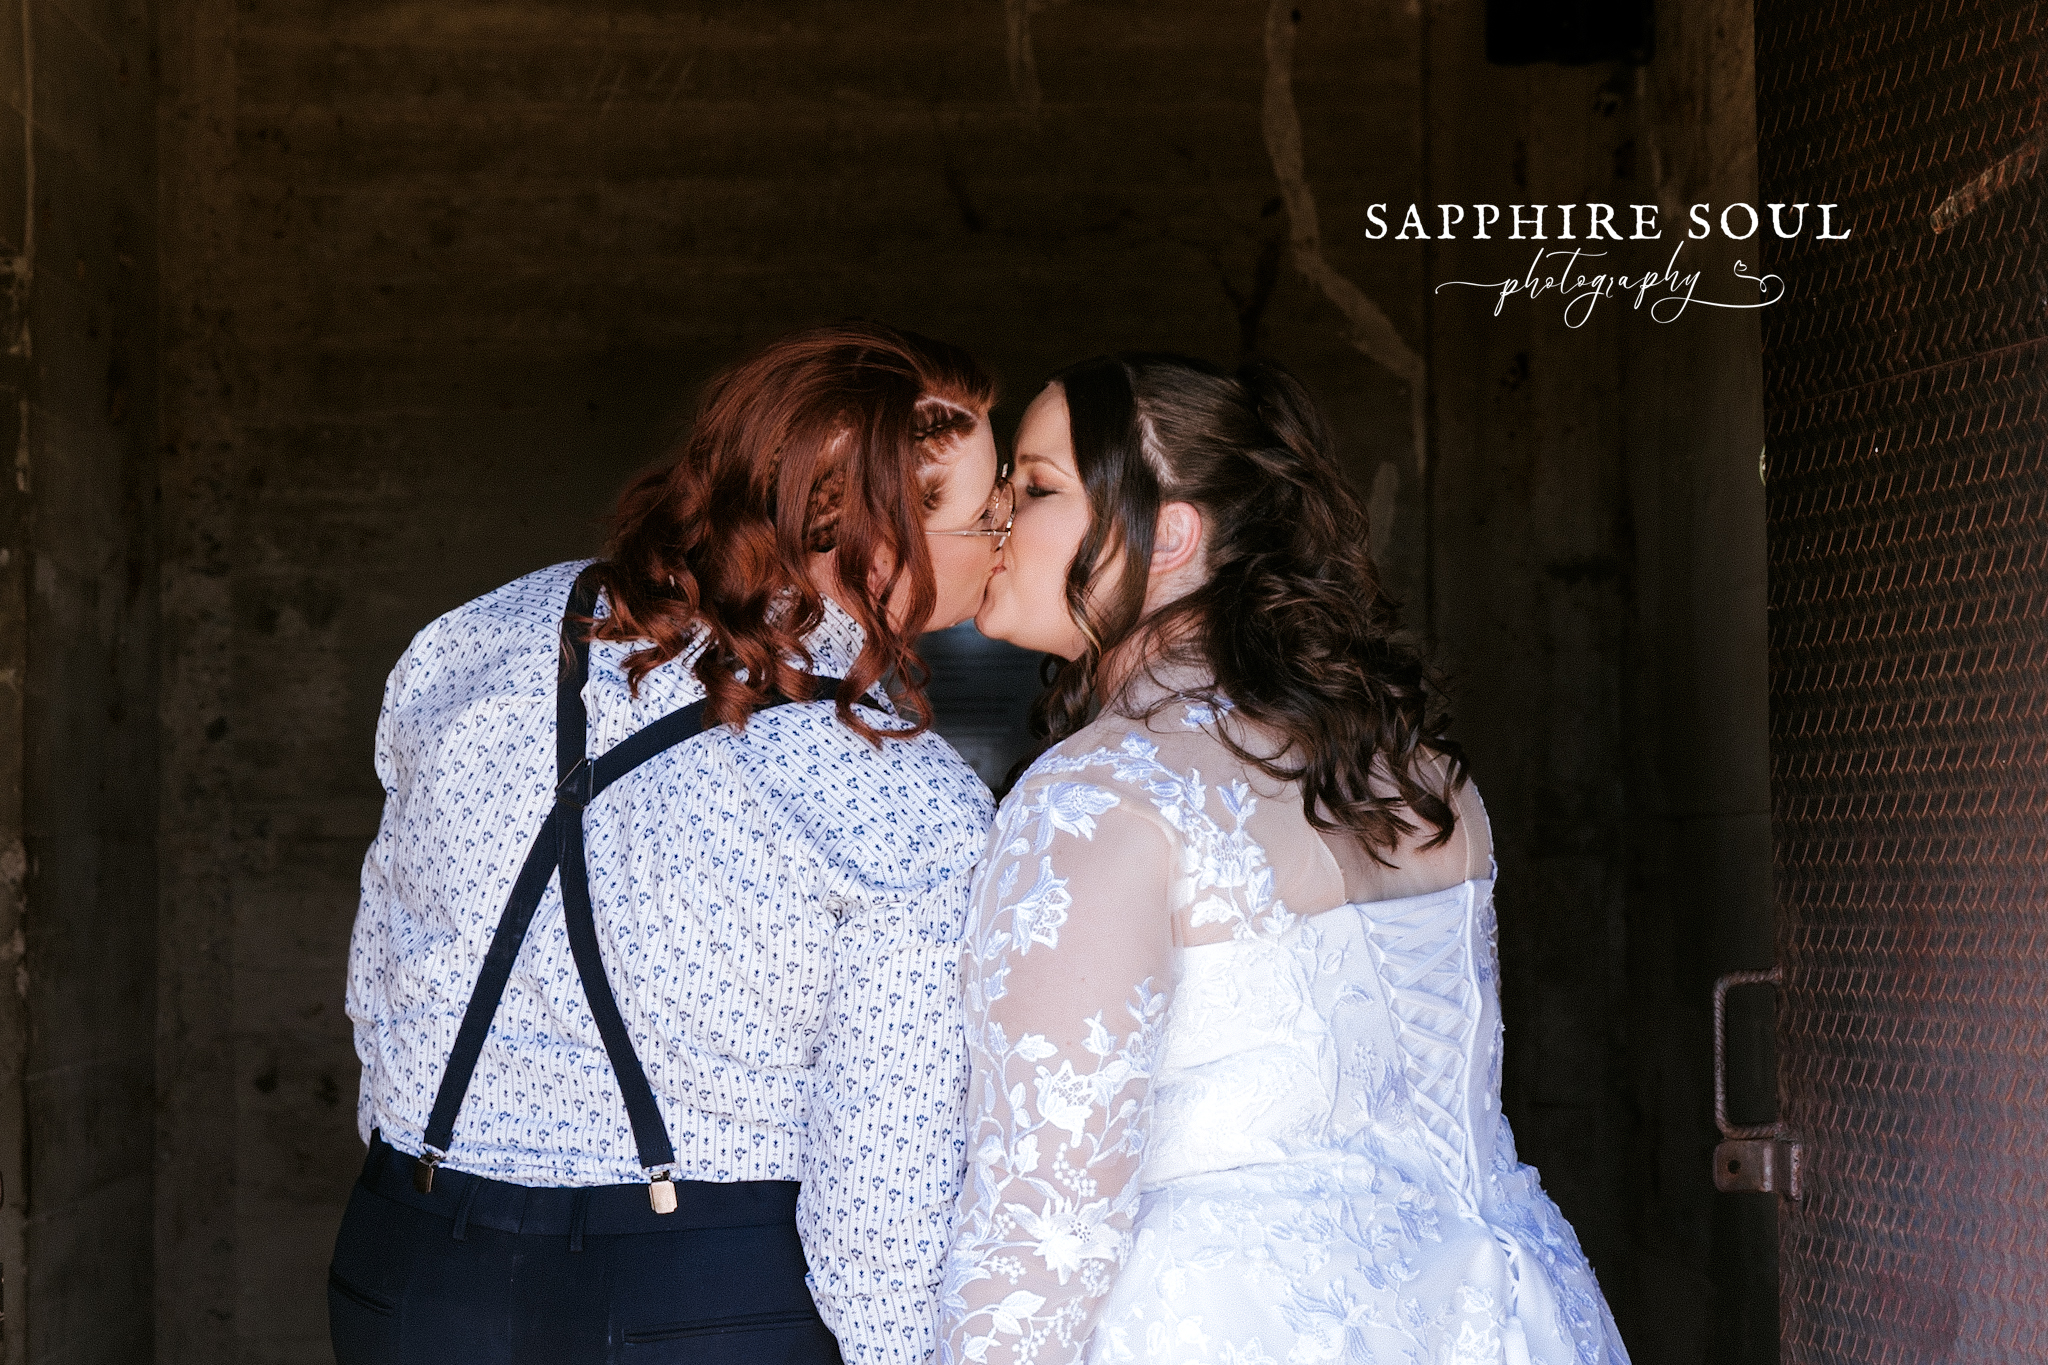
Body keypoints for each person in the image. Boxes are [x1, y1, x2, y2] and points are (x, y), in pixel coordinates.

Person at [333, 322, 1017, 1365]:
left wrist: (424, 1180)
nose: (1005, 536)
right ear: (873, 541)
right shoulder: (898, 791)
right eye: (986, 513)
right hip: (704, 1294)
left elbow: (385, 964)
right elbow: (880, 1181)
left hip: (410, 1264)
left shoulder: (475, 637)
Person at [940, 355, 1629, 1365]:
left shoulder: (1101, 797)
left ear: (1171, 536)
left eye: (1036, 487)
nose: (994, 518)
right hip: (1501, 1322)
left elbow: (1042, 1234)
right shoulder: (1420, 774)